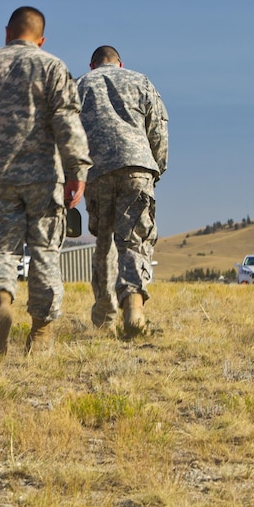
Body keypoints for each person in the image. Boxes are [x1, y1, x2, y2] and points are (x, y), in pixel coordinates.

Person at [0, 6, 91, 356]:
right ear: (41, 39)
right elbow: (67, 123)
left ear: (7, 32)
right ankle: (42, 332)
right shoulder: (53, 67)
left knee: (0, 247)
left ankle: (1, 297)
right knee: (45, 251)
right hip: (45, 176)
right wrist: (76, 171)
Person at [76, 46, 169, 337]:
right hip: (138, 168)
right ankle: (134, 308)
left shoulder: (80, 85)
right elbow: (158, 129)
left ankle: (105, 313)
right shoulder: (141, 81)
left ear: (92, 65)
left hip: (96, 171)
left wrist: (71, 176)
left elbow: (64, 133)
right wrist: (157, 169)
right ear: (120, 63)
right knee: (135, 240)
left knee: (104, 242)